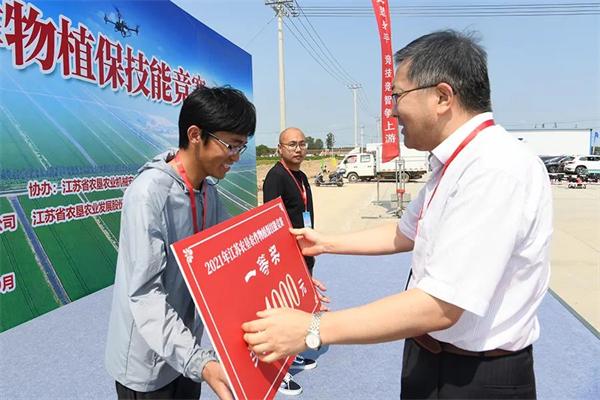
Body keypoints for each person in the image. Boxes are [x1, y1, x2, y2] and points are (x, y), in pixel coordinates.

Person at [243, 30, 552, 399]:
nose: (390, 110)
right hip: (429, 358)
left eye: (397, 95)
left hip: (475, 378)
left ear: (442, 96)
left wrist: (313, 328)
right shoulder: (454, 163)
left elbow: (440, 306)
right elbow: (406, 232)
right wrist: (326, 242)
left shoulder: (495, 168)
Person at [106, 86, 256, 400]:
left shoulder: (208, 191)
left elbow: (229, 253)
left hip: (188, 352)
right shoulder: (148, 195)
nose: (236, 157)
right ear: (194, 134)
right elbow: (145, 294)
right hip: (147, 366)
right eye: (231, 145)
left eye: (242, 146)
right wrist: (200, 362)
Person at [262, 127, 318, 396]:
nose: (298, 149)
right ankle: (277, 372)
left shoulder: (302, 176)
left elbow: (304, 213)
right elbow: (272, 221)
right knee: (281, 310)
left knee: (297, 306)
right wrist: (284, 257)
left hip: (303, 252)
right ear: (280, 149)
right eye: (292, 144)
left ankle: (291, 354)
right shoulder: (276, 177)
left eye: (302, 144)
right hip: (286, 256)